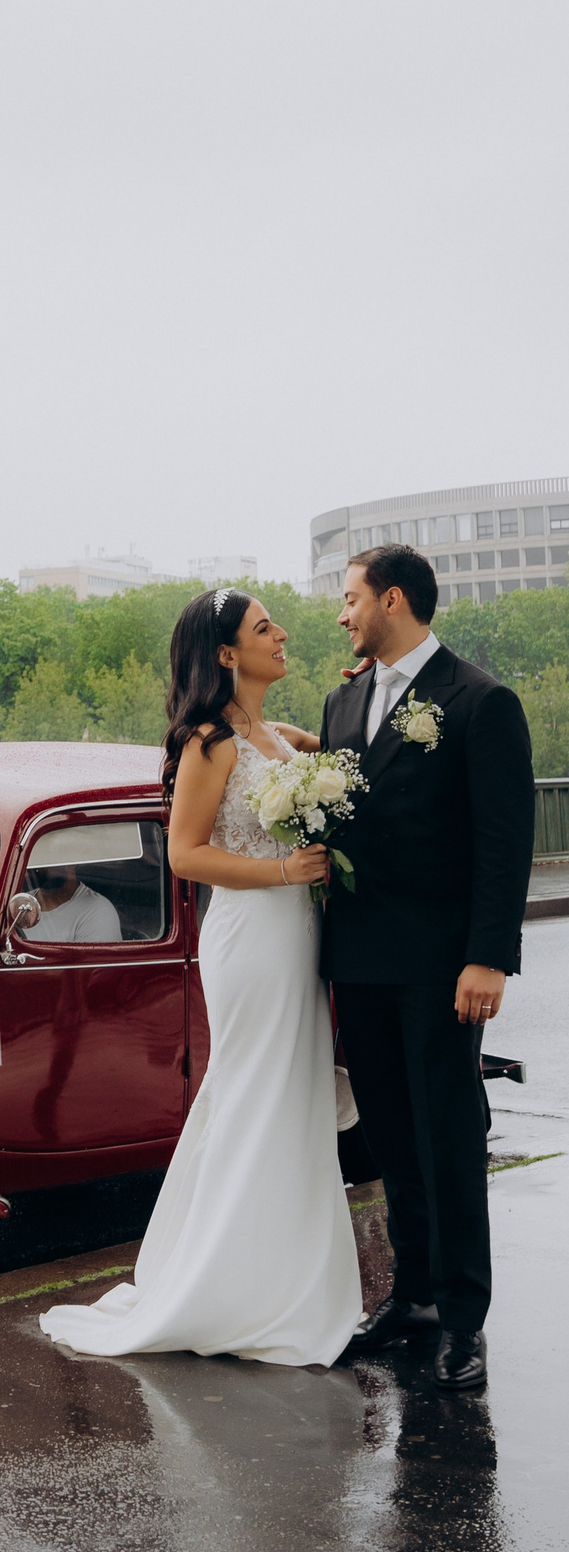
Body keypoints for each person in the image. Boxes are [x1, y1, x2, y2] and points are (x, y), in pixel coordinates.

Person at [39, 587, 362, 1367]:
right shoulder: (210, 743)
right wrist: (284, 866)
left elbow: (343, 761)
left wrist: (355, 709)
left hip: (296, 933)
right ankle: (230, 1287)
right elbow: (184, 854)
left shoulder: (272, 736)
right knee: (257, 1094)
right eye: (263, 627)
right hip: (251, 937)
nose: (282, 634)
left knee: (292, 1098)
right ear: (226, 653)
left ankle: (279, 1276)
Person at [323, 544, 533, 1394]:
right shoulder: (341, 701)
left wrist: (488, 955)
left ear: (393, 599)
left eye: (350, 598)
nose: (342, 613)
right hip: (360, 960)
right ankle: (409, 1298)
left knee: (448, 1137)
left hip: (444, 965)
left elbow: (503, 839)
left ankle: (462, 1321)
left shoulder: (480, 701)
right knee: (389, 1137)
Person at [24, 865, 123, 943]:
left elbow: (89, 967)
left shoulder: (98, 911)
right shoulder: (21, 903)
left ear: (72, 862)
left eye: (47, 858)